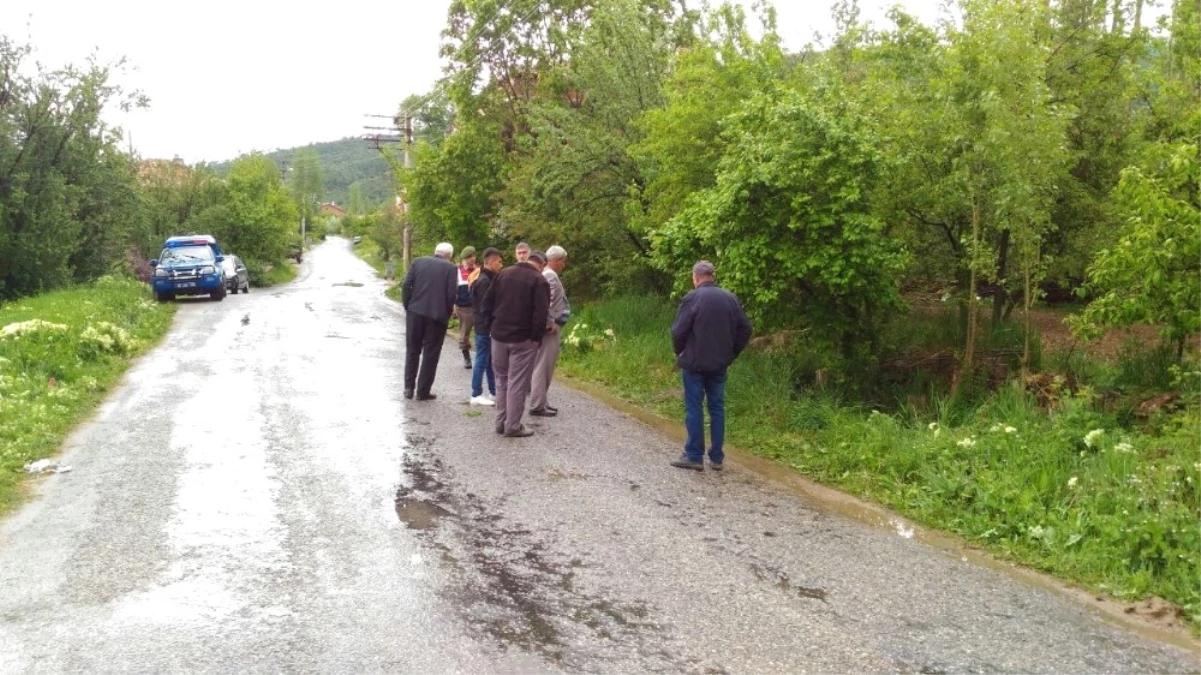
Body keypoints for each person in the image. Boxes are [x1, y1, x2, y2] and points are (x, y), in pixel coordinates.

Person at [669, 261, 752, 471]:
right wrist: (732, 353)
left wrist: (679, 352)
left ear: (696, 277)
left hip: (695, 363)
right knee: (717, 408)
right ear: (712, 276)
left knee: (694, 407)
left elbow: (678, 331)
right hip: (719, 364)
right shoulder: (730, 298)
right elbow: (746, 328)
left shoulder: (692, 297)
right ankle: (716, 457)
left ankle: (694, 455)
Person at [481, 250, 550, 437]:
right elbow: (540, 314)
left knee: (501, 380)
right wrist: (535, 339)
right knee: (517, 383)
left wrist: (490, 328)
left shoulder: (503, 274)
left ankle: (500, 422)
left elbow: (487, 303)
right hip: (523, 339)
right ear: (542, 264)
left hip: (498, 336)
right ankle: (512, 425)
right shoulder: (539, 280)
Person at [401, 242, 458, 401]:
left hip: (415, 313)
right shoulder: (451, 268)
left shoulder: (418, 262)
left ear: (436, 251)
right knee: (430, 353)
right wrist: (447, 314)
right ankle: (422, 391)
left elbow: (406, 285)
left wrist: (408, 305)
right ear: (449, 255)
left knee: (412, 350)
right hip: (437, 317)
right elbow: (451, 295)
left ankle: (408, 388)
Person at [530, 245, 569, 417]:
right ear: (555, 260)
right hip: (549, 329)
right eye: (562, 261)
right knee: (544, 364)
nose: (564, 265)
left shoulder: (546, 274)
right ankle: (537, 404)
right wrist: (550, 323)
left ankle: (542, 401)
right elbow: (548, 302)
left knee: (545, 364)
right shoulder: (550, 276)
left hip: (549, 327)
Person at [469, 247, 503, 406]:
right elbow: (484, 308)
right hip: (484, 327)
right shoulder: (484, 280)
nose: (501, 265)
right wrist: (490, 327)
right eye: (499, 262)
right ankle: (476, 393)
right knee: (482, 359)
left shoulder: (487, 278)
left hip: (486, 326)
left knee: (490, 361)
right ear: (491, 261)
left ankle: (494, 392)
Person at [455, 246, 478, 369]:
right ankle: (467, 358)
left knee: (482, 333)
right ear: (464, 259)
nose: (472, 259)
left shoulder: (480, 270)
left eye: (473, 256)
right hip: (465, 308)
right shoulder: (458, 271)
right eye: (469, 257)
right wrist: (454, 305)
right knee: (464, 334)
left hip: (479, 307)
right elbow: (453, 290)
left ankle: (483, 357)